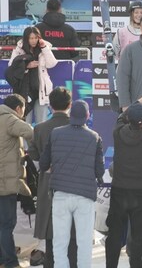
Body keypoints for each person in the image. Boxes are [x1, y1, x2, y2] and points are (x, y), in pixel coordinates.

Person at [39, 100, 104, 268]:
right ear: (87, 116)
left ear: (70, 114)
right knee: (84, 243)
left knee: (60, 242)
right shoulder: (94, 137)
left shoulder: (55, 133)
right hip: (85, 196)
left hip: (60, 194)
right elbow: (99, 172)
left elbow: (44, 163)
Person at [105, 82, 142, 268]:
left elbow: (123, 115)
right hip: (141, 193)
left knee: (114, 235)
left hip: (119, 191)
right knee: (138, 238)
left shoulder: (117, 132)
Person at [27, 87, 77, 268]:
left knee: (50, 237)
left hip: (47, 185)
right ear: (70, 105)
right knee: (72, 238)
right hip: (72, 187)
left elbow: (33, 156)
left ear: (50, 105)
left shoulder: (40, 129)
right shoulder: (79, 128)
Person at [0, 94, 34, 268]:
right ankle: (10, 262)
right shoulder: (9, 119)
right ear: (18, 108)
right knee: (6, 224)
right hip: (5, 182)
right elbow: (30, 132)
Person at [8, 26, 58, 124]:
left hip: (41, 90)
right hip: (25, 91)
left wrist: (44, 48)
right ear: (26, 38)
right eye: (31, 38)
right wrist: (26, 66)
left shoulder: (44, 47)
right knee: (25, 123)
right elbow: (11, 66)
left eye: (36, 38)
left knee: (41, 122)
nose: (34, 41)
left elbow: (51, 64)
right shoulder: (19, 48)